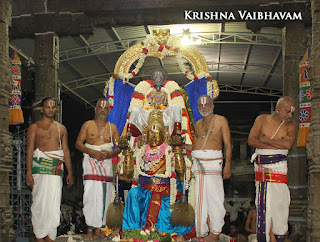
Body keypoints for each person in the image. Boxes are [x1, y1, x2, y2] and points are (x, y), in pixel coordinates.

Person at [121, 107, 193, 241]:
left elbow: (182, 174)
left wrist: (177, 152)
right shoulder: (140, 152)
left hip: (165, 192)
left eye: (157, 133)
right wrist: (128, 156)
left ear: (164, 133)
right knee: (133, 193)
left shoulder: (169, 150)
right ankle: (131, 232)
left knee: (167, 206)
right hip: (144, 191)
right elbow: (128, 177)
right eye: (150, 133)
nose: (153, 137)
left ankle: (165, 234)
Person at [248, 96, 296, 242]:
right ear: (278, 109)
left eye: (291, 112)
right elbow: (251, 140)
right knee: (264, 207)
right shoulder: (261, 119)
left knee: (280, 205)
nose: (290, 115)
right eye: (287, 112)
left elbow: (288, 145)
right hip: (262, 168)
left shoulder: (290, 125)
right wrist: (278, 143)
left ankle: (277, 238)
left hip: (279, 168)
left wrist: (265, 140)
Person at [185, 94, 232, 241]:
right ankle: (203, 231)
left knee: (215, 199)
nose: (203, 107)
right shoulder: (198, 124)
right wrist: (181, 145)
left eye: (206, 104)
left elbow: (228, 144)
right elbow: (196, 146)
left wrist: (228, 165)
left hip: (213, 164)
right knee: (201, 200)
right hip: (198, 165)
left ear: (212, 106)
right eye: (200, 105)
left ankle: (215, 232)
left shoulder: (221, 120)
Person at [26, 97, 73, 242]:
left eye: (53, 107)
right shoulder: (34, 127)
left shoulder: (61, 128)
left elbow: (65, 150)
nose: (51, 109)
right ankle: (39, 237)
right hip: (40, 170)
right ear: (42, 109)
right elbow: (29, 150)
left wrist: (70, 172)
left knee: (53, 204)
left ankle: (50, 237)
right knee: (39, 202)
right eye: (48, 107)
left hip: (55, 171)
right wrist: (28, 172)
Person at [75, 98, 120, 240]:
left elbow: (119, 148)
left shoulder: (113, 128)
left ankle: (99, 229)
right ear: (95, 109)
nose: (102, 110)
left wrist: (110, 154)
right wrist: (93, 152)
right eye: (99, 107)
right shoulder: (88, 125)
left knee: (104, 196)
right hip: (90, 160)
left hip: (106, 164)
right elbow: (78, 144)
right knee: (90, 194)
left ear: (109, 111)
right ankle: (89, 229)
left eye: (105, 107)